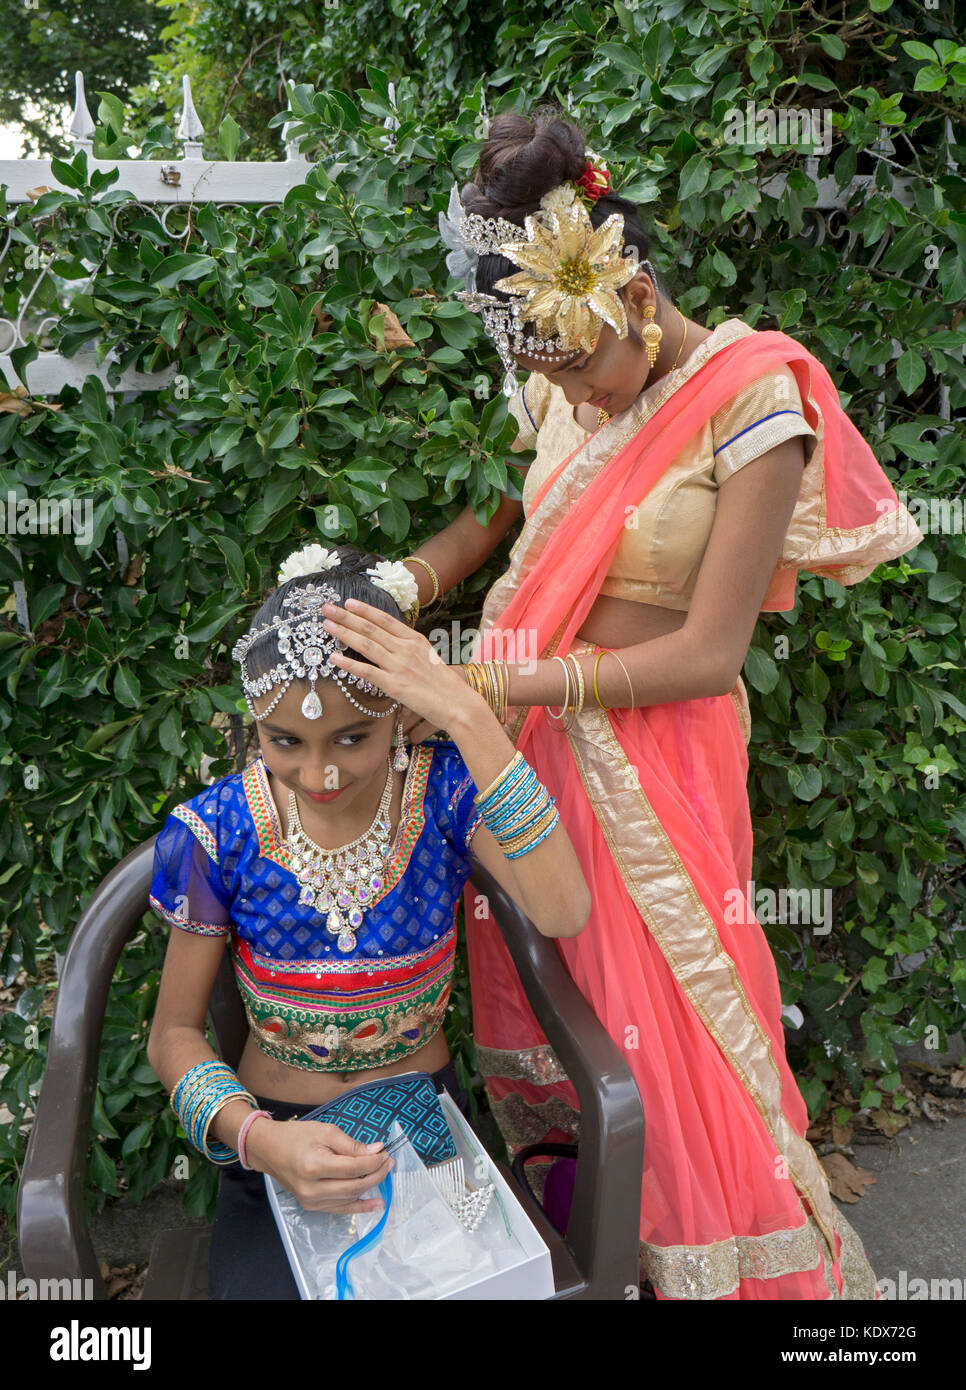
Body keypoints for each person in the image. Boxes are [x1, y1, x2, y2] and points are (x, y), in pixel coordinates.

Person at [395, 108, 925, 1299]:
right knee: (564, 1015)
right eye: (542, 371)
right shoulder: (557, 376)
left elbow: (707, 651)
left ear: (633, 292)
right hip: (530, 759)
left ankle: (726, 1270)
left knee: (678, 1035)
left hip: (657, 768)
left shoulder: (754, 401)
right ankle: (606, 1253)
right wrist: (405, 581)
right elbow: (499, 512)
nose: (570, 396)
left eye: (578, 362)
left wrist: (500, 682)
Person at [146, 541, 591, 1300]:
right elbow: (173, 1036)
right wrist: (263, 1143)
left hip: (429, 1135)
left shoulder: (441, 795)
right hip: (276, 1140)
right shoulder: (218, 829)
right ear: (254, 722)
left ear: (397, 714)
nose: (320, 772)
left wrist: (464, 711)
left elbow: (563, 908)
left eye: (351, 739)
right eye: (286, 741)